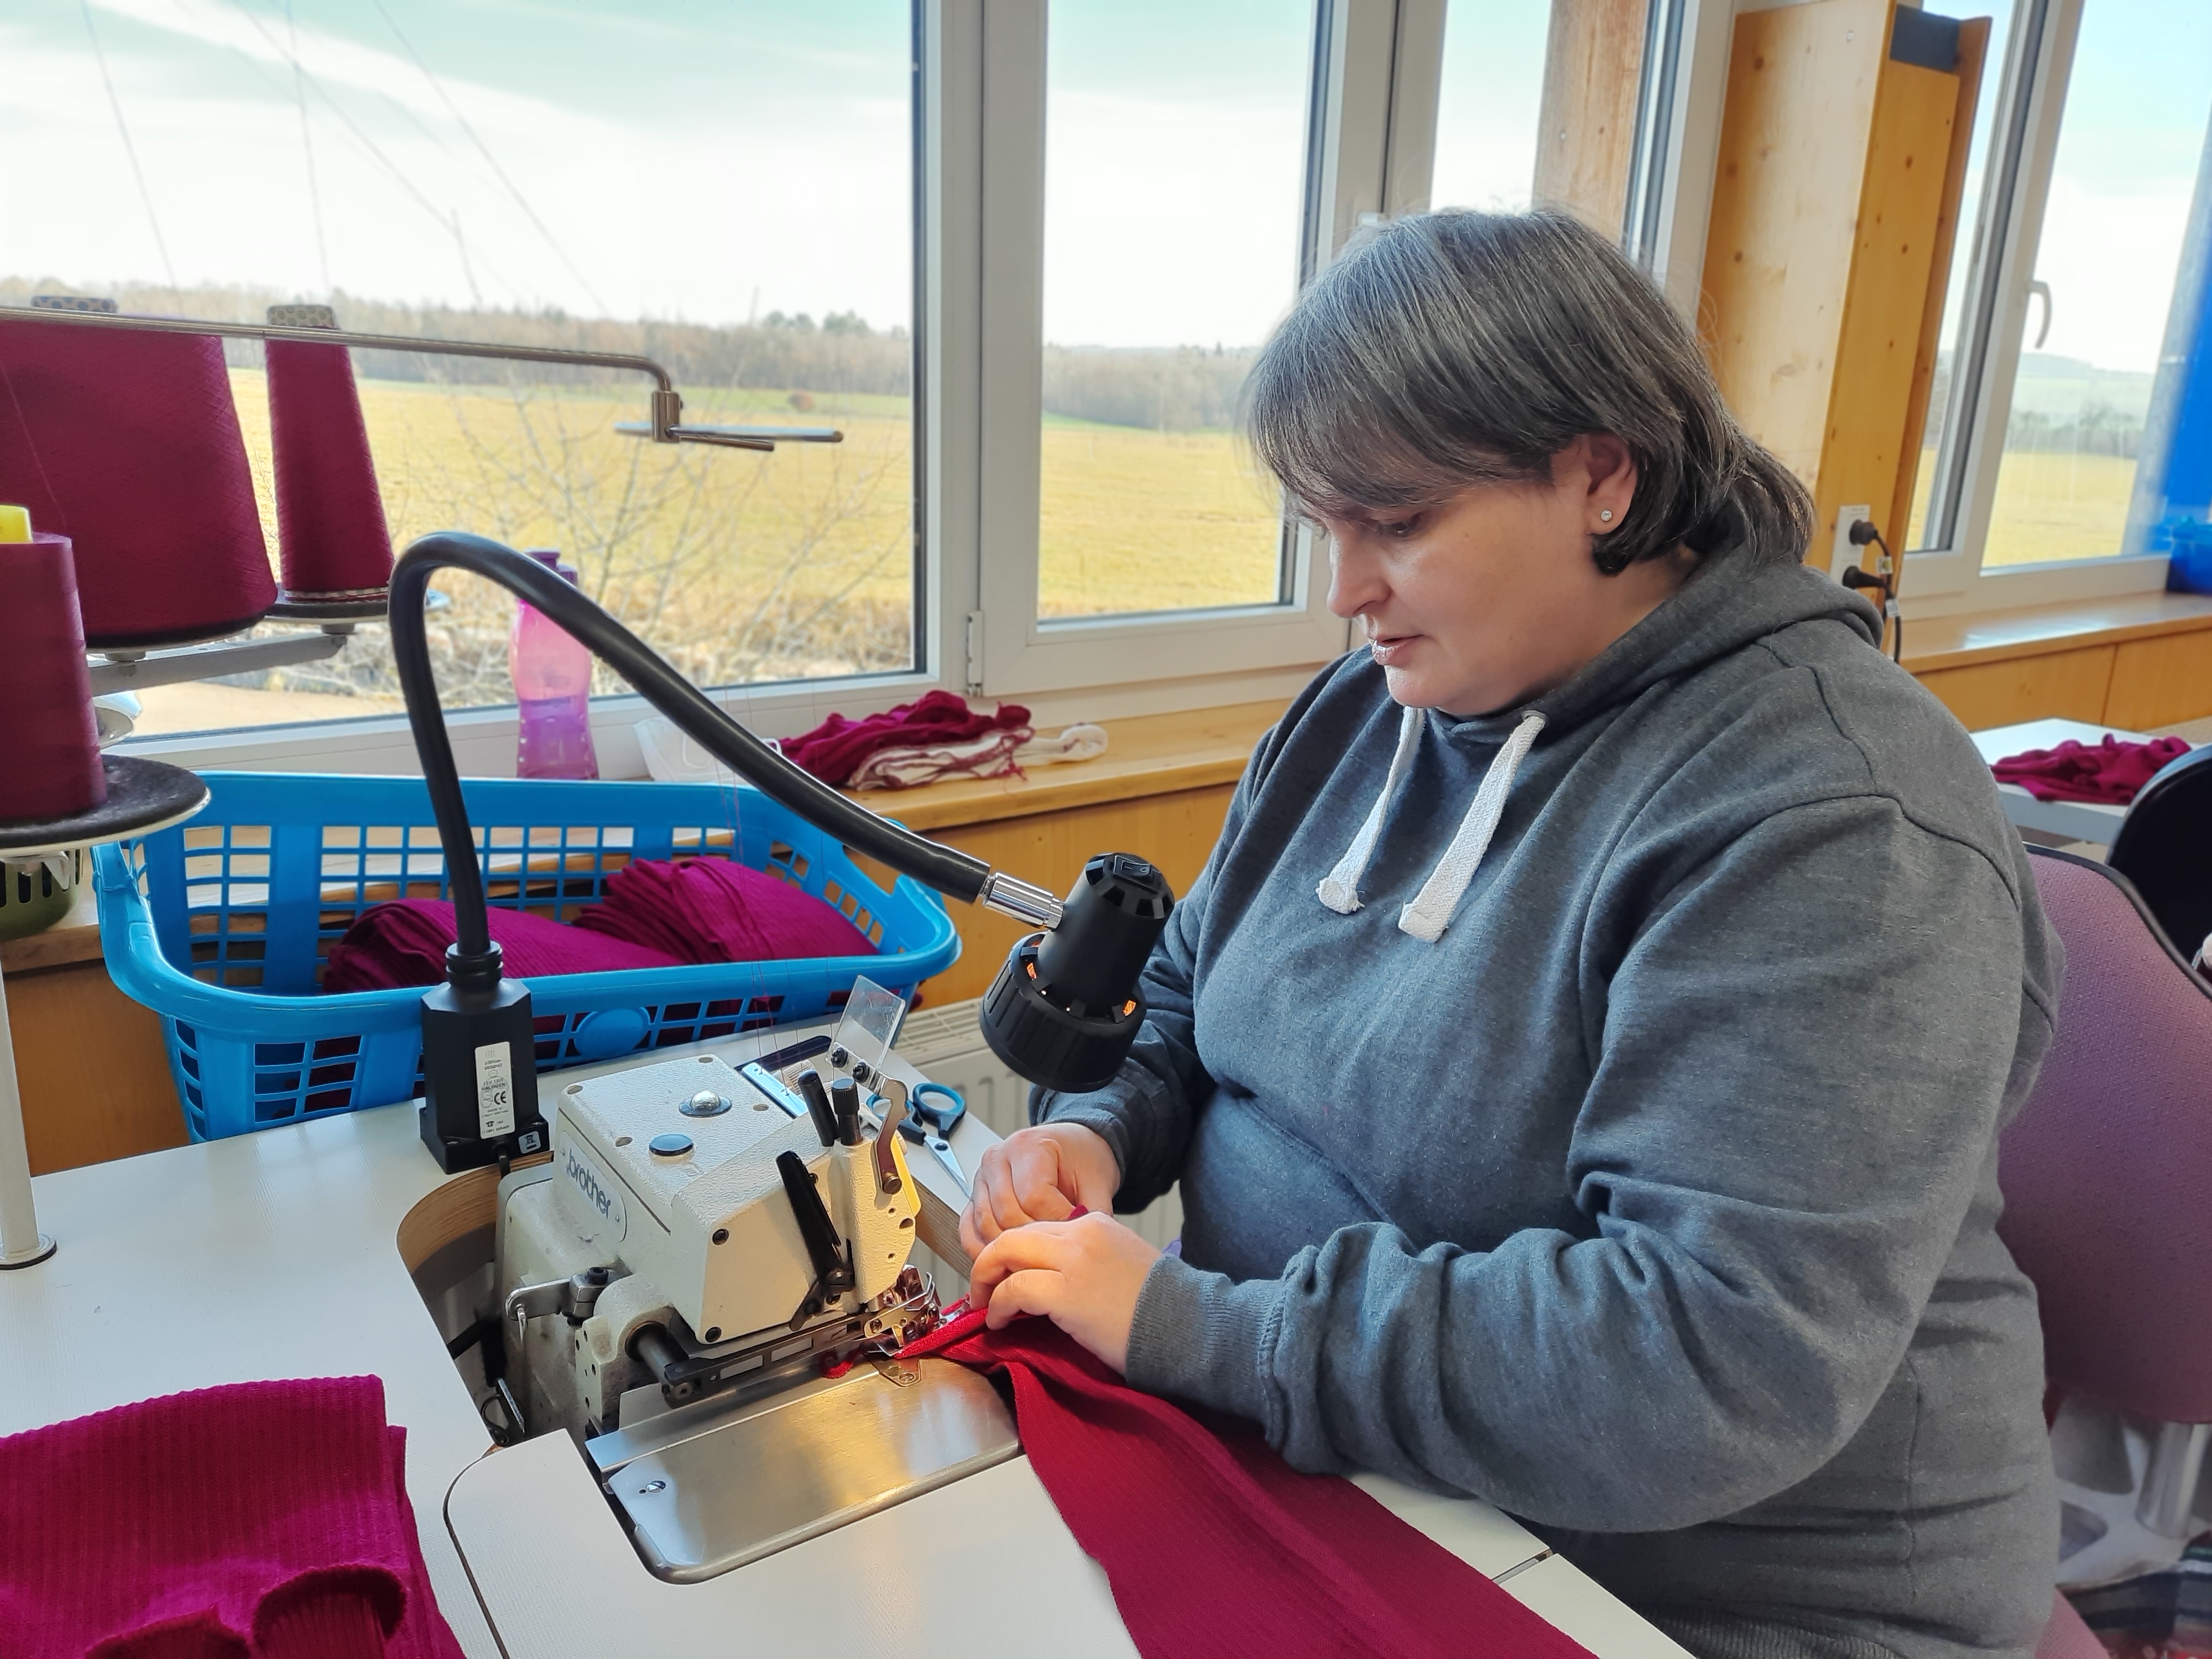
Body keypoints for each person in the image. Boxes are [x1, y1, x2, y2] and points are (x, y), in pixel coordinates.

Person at [956, 210, 2062, 1659]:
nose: (1346, 591)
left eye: (1397, 524)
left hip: (1710, 1600)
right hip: (1356, 1474)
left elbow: (1707, 1366)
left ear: (1602, 474)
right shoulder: (1373, 704)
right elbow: (1184, 991)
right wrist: (1101, 1132)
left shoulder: (1832, 821)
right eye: (1325, 529)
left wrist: (1198, 1333)